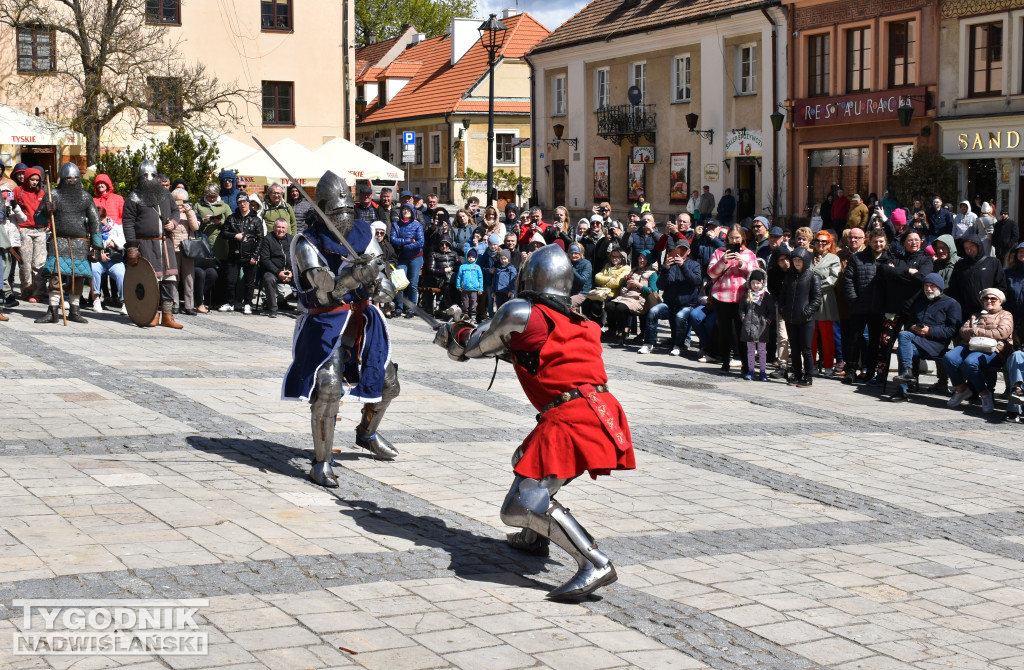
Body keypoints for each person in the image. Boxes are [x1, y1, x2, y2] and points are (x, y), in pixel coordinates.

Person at [434, 244, 635, 601]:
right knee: (523, 461)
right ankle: (532, 539)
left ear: (529, 278)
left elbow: (472, 347)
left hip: (572, 418)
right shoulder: (579, 322)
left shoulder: (520, 311)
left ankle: (594, 561)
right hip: (601, 410)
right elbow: (533, 354)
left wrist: (453, 333)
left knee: (518, 506)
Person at [282, 172, 401, 488]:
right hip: (325, 322)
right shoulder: (306, 243)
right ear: (322, 210)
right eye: (337, 214)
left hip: (361, 319)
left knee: (389, 383)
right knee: (330, 387)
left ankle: (367, 433)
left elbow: (386, 284)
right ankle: (321, 463)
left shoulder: (364, 233)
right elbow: (326, 291)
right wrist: (357, 276)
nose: (345, 219)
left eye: (348, 212)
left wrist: (380, 284)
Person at [32, 163, 102, 325]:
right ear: (63, 179)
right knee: (56, 278)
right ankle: (53, 311)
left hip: (80, 243)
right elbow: (38, 219)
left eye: (75, 178)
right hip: (59, 241)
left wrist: (97, 245)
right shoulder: (53, 194)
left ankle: (75, 311)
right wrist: (46, 211)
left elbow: (95, 221)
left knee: (77, 278)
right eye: (69, 178)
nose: (72, 181)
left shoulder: (85, 197)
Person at [122, 161, 182, 328]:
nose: (149, 179)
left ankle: (168, 316)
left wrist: (174, 223)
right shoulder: (134, 197)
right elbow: (128, 222)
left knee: (169, 280)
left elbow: (175, 211)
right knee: (151, 282)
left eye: (152, 176)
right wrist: (132, 246)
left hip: (165, 244)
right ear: (140, 177)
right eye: (145, 176)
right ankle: (152, 314)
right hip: (145, 245)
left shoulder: (165, 194)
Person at [870, 229, 933, 384]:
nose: (914, 243)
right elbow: (885, 271)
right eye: (910, 240)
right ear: (904, 242)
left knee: (912, 344)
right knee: (885, 342)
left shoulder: (926, 260)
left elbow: (921, 279)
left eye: (917, 240)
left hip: (914, 310)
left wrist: (897, 276)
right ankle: (881, 375)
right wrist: (907, 271)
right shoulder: (895, 257)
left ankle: (912, 379)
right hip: (893, 308)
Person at [889, 274, 961, 401]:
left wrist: (930, 331)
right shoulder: (921, 302)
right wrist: (912, 327)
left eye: (932, 286)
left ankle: (902, 390)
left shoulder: (952, 303)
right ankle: (907, 375)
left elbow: (953, 330)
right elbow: (910, 321)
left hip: (935, 344)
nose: (928, 289)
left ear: (939, 287)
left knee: (902, 349)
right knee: (904, 335)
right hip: (916, 339)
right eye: (926, 286)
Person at [944, 288, 1014, 414]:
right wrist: (975, 333)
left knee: (970, 363)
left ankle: (984, 394)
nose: (989, 301)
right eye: (986, 298)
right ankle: (961, 389)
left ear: (1000, 301)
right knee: (949, 358)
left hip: (994, 349)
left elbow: (1002, 333)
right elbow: (963, 331)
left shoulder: (1006, 315)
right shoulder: (976, 315)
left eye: (993, 298)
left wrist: (976, 331)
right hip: (970, 345)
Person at [707, 224, 759, 372]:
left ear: (742, 237)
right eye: (731, 237)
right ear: (727, 238)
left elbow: (756, 274)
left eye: (737, 237)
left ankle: (745, 365)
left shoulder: (749, 253)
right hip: (721, 297)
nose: (734, 240)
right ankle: (724, 362)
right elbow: (711, 273)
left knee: (741, 331)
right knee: (724, 331)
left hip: (741, 298)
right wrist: (723, 260)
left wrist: (742, 263)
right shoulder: (719, 252)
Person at [639, 238, 700, 355]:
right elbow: (660, 286)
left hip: (686, 304)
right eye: (679, 249)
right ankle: (648, 343)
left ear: (688, 252)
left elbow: (695, 281)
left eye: (684, 250)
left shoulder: (694, 265)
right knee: (653, 311)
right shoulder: (668, 265)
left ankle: (678, 345)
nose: (681, 252)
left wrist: (683, 266)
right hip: (669, 303)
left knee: (680, 316)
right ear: (675, 251)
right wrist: (666, 270)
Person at [843, 229, 889, 382]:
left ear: (885, 242)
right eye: (875, 241)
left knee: (874, 341)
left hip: (879, 307)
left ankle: (870, 371)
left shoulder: (890, 259)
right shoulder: (857, 258)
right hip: (859, 305)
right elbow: (848, 279)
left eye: (881, 241)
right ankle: (850, 370)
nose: (878, 244)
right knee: (854, 339)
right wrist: (853, 299)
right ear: (869, 242)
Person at [780, 247, 822, 387]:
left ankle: (808, 376)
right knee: (795, 349)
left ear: (806, 261)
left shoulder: (813, 276)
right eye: (795, 260)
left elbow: (816, 299)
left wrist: (806, 312)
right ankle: (797, 374)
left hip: (805, 319)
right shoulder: (789, 276)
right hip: (790, 318)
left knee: (806, 349)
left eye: (800, 260)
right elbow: (783, 295)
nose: (797, 262)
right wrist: (783, 309)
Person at [221, 193, 264, 315]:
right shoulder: (232, 218)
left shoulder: (256, 219)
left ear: (249, 203)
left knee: (250, 282)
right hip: (234, 255)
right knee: (230, 280)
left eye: (244, 202)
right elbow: (223, 233)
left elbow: (261, 239)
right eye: (240, 202)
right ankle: (230, 303)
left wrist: (255, 255)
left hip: (250, 254)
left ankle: (248, 303)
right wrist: (235, 236)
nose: (242, 204)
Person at [948, 234, 1007, 320]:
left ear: (978, 246)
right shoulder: (959, 265)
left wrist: (994, 305)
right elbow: (954, 288)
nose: (969, 250)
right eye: (966, 248)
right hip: (965, 314)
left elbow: (1001, 287)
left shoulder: (993, 263)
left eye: (972, 246)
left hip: (988, 313)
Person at [605, 250, 657, 345]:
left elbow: (653, 291)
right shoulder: (634, 270)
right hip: (627, 296)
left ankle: (623, 331)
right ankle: (617, 330)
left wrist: (639, 285)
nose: (641, 260)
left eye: (644, 259)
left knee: (621, 308)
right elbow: (624, 285)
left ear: (648, 260)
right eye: (640, 258)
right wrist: (626, 282)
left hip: (641, 300)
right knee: (609, 306)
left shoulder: (652, 274)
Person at [13, 167, 47, 301]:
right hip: (24, 229)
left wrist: (48, 226)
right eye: (32, 179)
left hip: (40, 230)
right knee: (25, 263)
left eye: (37, 180)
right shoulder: (18, 191)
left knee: (38, 263)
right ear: (27, 178)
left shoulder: (43, 193)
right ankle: (27, 290)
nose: (34, 182)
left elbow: (47, 211)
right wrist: (18, 227)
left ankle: (37, 293)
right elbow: (12, 209)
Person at [810, 231, 840, 376]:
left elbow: (833, 279)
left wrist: (814, 286)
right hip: (809, 299)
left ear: (830, 244)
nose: (820, 244)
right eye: (818, 241)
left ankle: (828, 366)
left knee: (827, 335)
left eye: (824, 241)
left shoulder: (833, 258)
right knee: (811, 335)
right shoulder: (808, 257)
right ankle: (812, 365)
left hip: (825, 299)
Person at [390, 203, 425, 318]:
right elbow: (394, 239)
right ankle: (399, 308)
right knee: (400, 283)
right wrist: (409, 240)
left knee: (413, 284)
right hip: (402, 258)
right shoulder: (396, 224)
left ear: (413, 212)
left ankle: (411, 309)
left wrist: (404, 245)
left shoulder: (417, 225)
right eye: (404, 209)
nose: (405, 211)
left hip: (416, 257)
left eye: (408, 209)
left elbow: (420, 242)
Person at [740, 268, 775, 381]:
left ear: (762, 282)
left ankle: (763, 371)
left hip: (762, 327)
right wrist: (743, 318)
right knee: (750, 350)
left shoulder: (766, 296)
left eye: (758, 283)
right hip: (749, 326)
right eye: (753, 283)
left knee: (762, 350)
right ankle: (751, 370)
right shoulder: (747, 294)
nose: (755, 285)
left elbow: (771, 311)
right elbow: (741, 309)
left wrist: (768, 320)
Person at [169, 187, 200, 315]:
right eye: (178, 200)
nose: (181, 203)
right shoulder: (170, 212)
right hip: (174, 248)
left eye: (184, 201)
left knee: (189, 278)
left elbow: (195, 227)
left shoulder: (190, 212)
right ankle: (175, 304)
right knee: (174, 278)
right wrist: (175, 212)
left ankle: (189, 305)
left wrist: (189, 212)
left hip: (188, 249)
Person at [258, 218, 293, 318]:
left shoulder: (291, 239)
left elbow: (297, 257)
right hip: (273, 271)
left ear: (286, 229)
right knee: (268, 279)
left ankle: (302, 309)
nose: (280, 230)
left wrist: (292, 272)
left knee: (303, 278)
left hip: (290, 271)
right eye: (278, 227)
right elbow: (265, 260)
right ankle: (273, 309)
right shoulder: (267, 239)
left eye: (283, 227)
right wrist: (278, 272)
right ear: (274, 228)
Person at [587, 248, 630, 326]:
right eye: (613, 256)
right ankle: (596, 326)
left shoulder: (626, 268)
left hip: (614, 293)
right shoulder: (608, 266)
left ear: (622, 258)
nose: (614, 259)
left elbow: (617, 283)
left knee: (609, 306)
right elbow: (597, 277)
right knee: (592, 303)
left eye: (617, 257)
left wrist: (604, 282)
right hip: (602, 292)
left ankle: (611, 328)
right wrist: (610, 278)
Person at [427, 236, 458, 315]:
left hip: (453, 277)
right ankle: (449, 309)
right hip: (439, 279)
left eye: (446, 244)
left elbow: (459, 266)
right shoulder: (434, 254)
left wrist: (451, 268)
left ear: (450, 245)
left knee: (459, 286)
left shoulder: (454, 254)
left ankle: (455, 307)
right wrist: (443, 270)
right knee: (447, 286)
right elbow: (431, 269)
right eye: (442, 244)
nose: (444, 246)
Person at [456, 248, 484, 319]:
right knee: (465, 302)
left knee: (474, 302)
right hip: (464, 288)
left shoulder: (477, 267)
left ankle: (473, 315)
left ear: (475, 258)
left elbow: (480, 278)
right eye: (469, 257)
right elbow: (459, 277)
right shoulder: (463, 267)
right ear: (466, 257)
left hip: (474, 289)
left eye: (473, 257)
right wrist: (458, 286)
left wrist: (480, 288)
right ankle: (465, 314)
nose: (471, 259)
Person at [568, 244, 593, 309]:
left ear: (581, 253)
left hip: (582, 293)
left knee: (567, 303)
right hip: (569, 291)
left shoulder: (586, 264)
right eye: (571, 253)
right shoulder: (568, 262)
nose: (573, 255)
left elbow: (582, 280)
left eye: (576, 253)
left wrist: (572, 269)